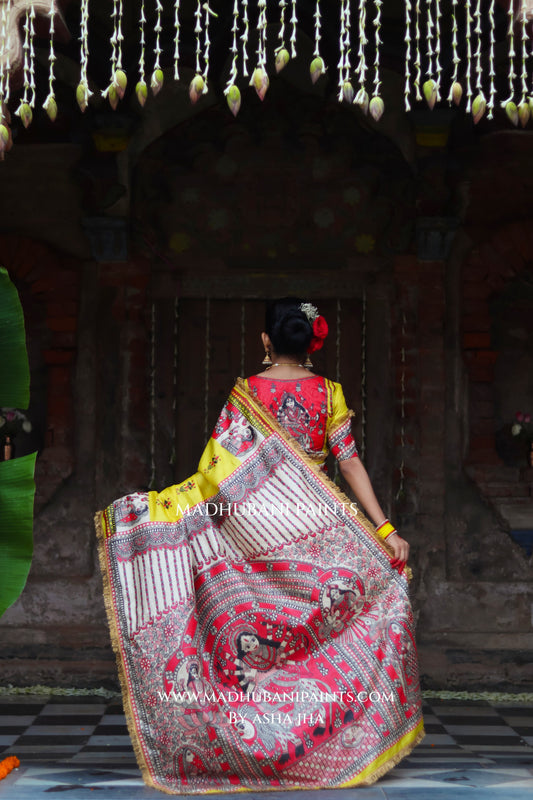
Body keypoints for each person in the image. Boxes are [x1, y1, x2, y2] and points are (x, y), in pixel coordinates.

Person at [95, 297, 424, 795]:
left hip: (255, 530)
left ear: (267, 342)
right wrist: (384, 531)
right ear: (310, 341)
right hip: (320, 527)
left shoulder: (246, 393)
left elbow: (217, 477)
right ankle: (327, 739)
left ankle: (257, 743)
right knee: (344, 622)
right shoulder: (327, 392)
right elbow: (350, 464)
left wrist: (194, 520)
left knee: (258, 642)